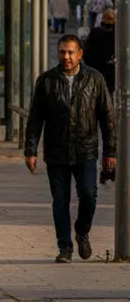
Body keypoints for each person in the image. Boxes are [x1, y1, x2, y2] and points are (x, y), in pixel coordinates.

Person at [25, 35, 116, 263]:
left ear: (80, 54)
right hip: (56, 152)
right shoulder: (47, 81)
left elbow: (108, 118)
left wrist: (110, 153)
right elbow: (35, 118)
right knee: (60, 201)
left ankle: (82, 231)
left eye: (70, 52)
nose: (66, 57)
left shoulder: (94, 79)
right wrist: (31, 149)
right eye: (62, 52)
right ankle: (64, 247)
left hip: (86, 150)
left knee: (88, 194)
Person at [83, 7, 116, 92]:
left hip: (95, 68)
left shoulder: (95, 32)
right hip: (111, 69)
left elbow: (87, 51)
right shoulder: (117, 35)